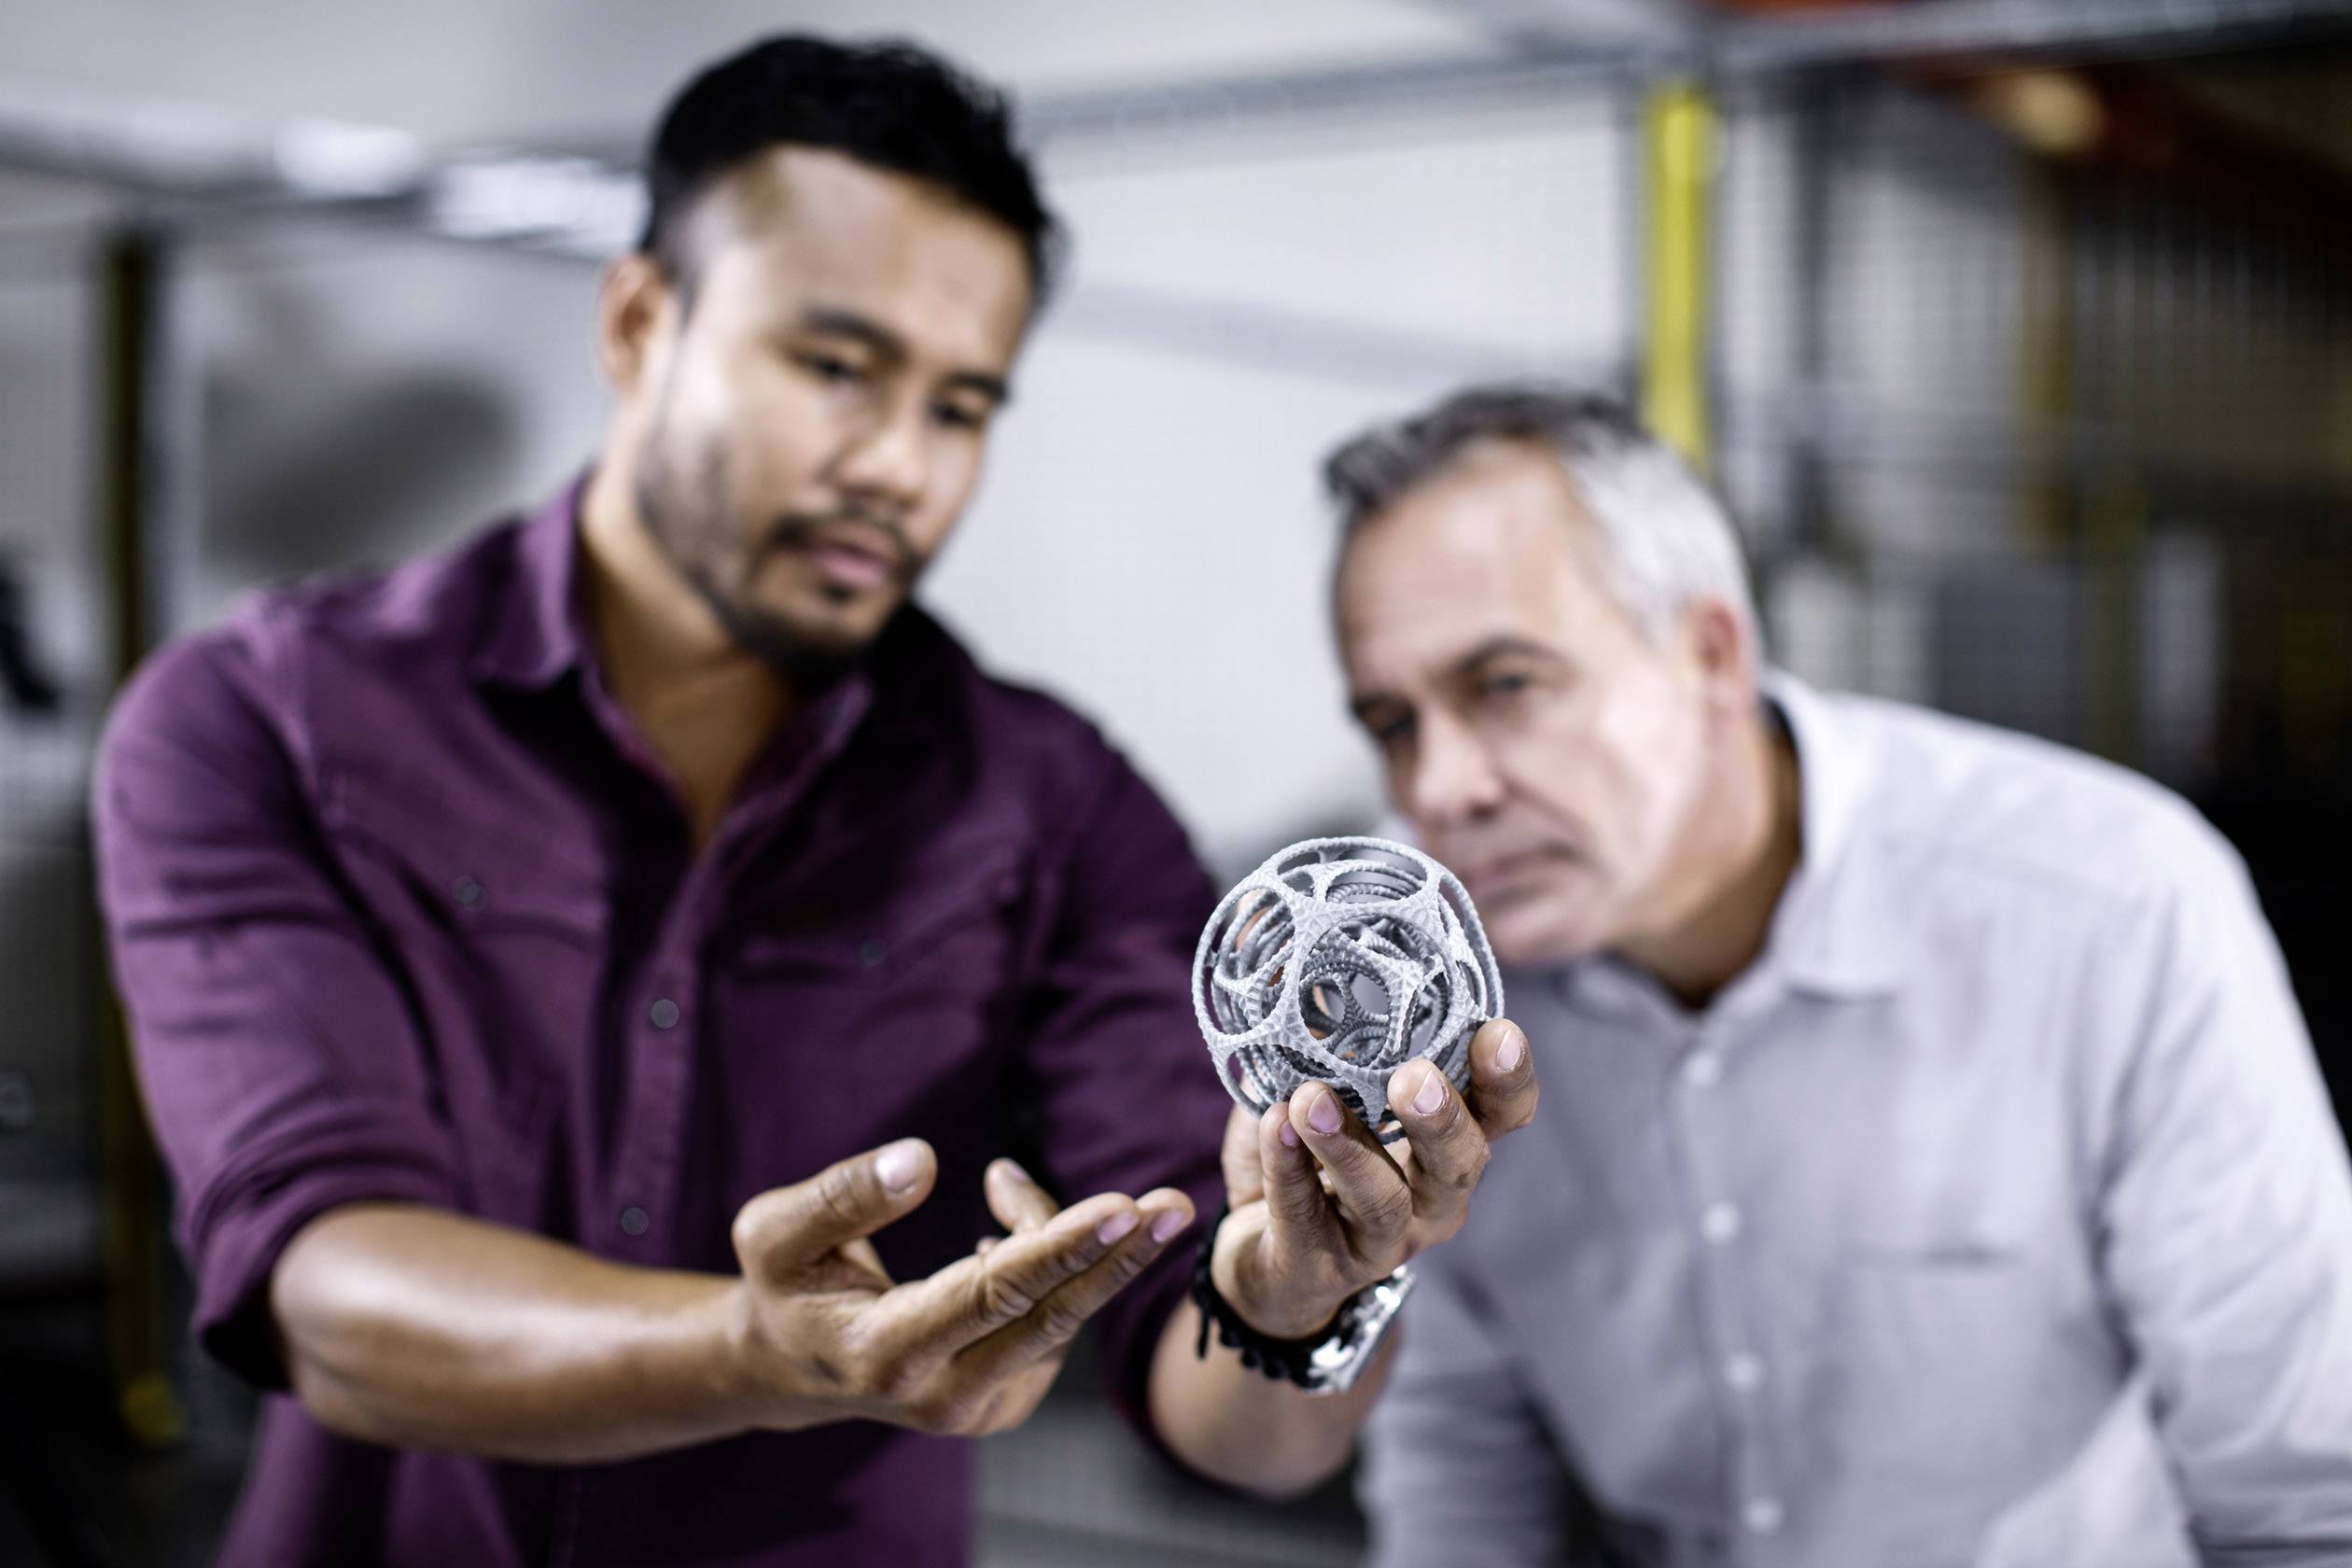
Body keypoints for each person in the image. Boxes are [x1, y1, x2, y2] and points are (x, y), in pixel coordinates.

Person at [91, 37, 1536, 1567]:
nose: (897, 467)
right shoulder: (261, 723)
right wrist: (753, 1353)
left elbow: (1230, 1398)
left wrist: (1303, 1298)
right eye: (837, 369)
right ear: (641, 321)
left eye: (960, 407)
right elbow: (324, 1291)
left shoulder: (1052, 811)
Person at [1314, 385, 2352, 1565]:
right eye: (1393, 725)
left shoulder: (2111, 913)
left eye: (1506, 686)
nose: (1441, 789)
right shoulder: (1413, 993)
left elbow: (2307, 1502)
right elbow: (1458, 1469)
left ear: (1711, 655)